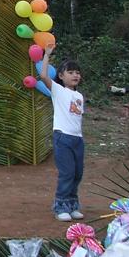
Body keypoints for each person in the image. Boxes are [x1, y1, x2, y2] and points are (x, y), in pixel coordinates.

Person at [40, 44, 85, 222]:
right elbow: (43, 76)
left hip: (77, 139)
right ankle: (60, 207)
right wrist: (47, 55)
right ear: (61, 76)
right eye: (71, 72)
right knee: (67, 173)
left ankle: (72, 205)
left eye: (77, 73)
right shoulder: (58, 91)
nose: (75, 75)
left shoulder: (79, 96)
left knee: (77, 173)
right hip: (63, 137)